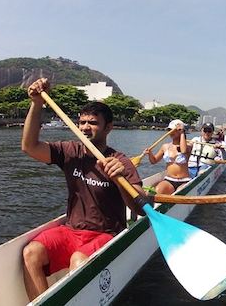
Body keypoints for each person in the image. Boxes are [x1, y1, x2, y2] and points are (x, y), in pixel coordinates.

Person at [21, 78, 149, 301]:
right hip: (70, 230)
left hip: (105, 233)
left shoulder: (120, 161)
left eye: (92, 123)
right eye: (81, 122)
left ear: (108, 128)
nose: (84, 127)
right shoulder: (70, 151)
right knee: (31, 253)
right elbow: (29, 147)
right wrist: (36, 103)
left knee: (78, 261)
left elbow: (141, 208)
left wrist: (119, 180)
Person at [144, 119, 191, 194]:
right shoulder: (165, 146)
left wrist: (182, 133)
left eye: (173, 130)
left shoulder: (188, 146)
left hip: (184, 180)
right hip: (169, 179)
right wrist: (150, 154)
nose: (170, 132)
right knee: (157, 191)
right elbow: (154, 161)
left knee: (179, 193)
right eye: (169, 130)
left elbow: (183, 151)